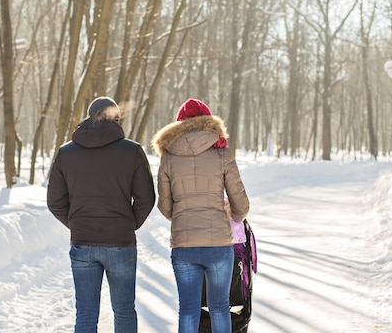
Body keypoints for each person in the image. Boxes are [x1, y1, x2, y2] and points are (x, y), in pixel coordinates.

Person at [47, 96, 156, 333]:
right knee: (125, 310)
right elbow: (147, 198)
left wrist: (77, 224)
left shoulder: (66, 153)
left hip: (82, 243)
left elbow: (55, 201)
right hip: (121, 243)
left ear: (89, 117)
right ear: (116, 119)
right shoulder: (132, 151)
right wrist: (128, 225)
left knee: (85, 313)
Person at [151, 98, 250, 333]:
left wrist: (184, 214)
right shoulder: (221, 153)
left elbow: (165, 207)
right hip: (218, 245)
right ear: (208, 121)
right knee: (219, 308)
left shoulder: (168, 156)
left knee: (188, 309)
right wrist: (231, 211)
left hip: (183, 246)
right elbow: (242, 206)